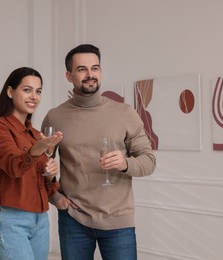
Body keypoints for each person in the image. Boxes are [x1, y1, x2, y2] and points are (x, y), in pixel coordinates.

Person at [42, 44, 156, 260]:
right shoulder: (55, 117)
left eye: (95, 68)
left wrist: (125, 163)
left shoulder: (124, 113)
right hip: (73, 220)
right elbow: (40, 165)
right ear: (69, 75)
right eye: (82, 69)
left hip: (118, 221)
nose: (90, 75)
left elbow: (149, 161)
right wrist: (54, 197)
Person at [0, 67, 63, 260]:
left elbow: (41, 182)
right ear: (10, 92)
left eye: (38, 91)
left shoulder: (34, 134)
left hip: (40, 219)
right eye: (27, 90)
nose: (34, 96)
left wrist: (51, 174)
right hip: (9, 217)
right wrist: (39, 149)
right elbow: (15, 167)